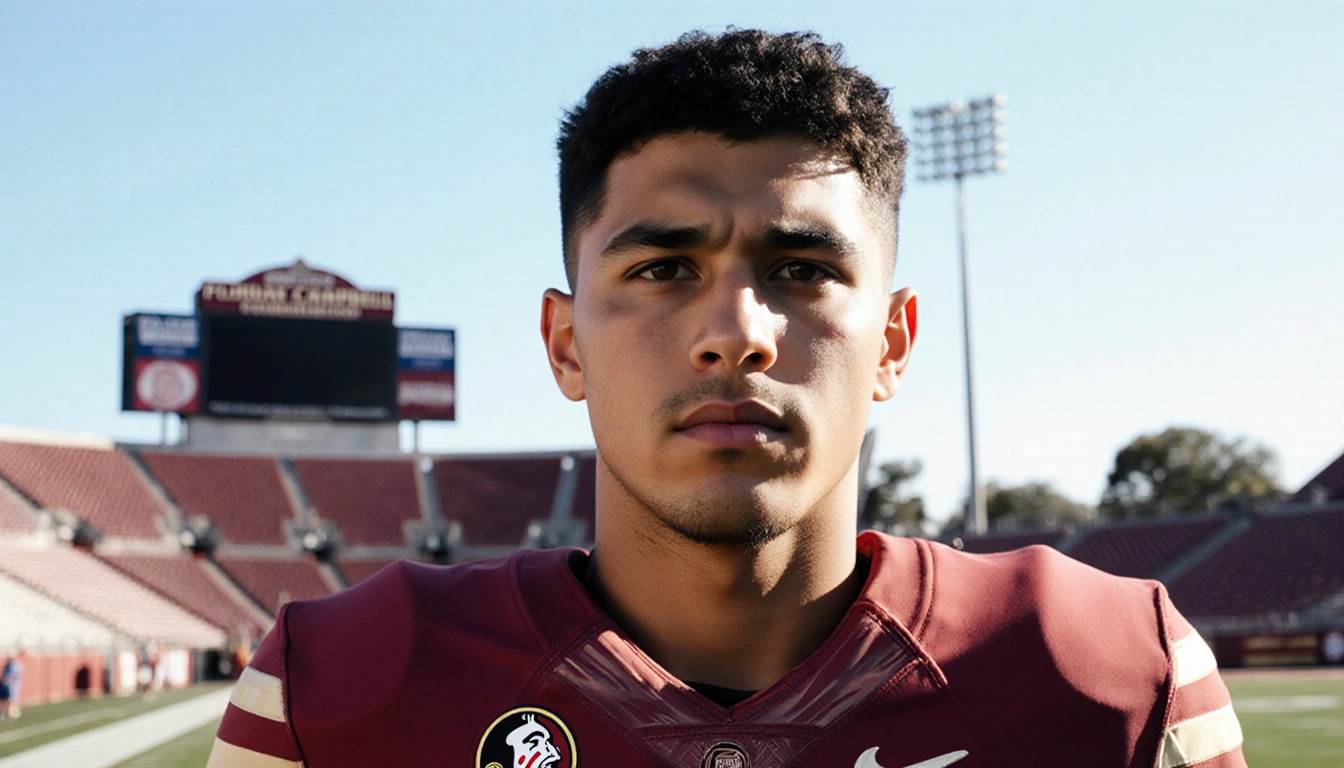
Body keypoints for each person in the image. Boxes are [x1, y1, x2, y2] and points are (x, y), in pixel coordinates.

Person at [208, 30, 1245, 768]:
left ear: (892, 342)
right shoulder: (340, 688)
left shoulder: (1107, 673)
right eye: (662, 269)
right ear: (566, 346)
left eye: (801, 269)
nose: (736, 332)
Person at [1, 651, 24, 719]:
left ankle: (14, 712)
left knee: (13, 698)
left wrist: (9, 678)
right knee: (7, 699)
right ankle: (9, 712)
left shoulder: (16, 665)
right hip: (7, 685)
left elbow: (18, 674)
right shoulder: (7, 665)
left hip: (13, 685)